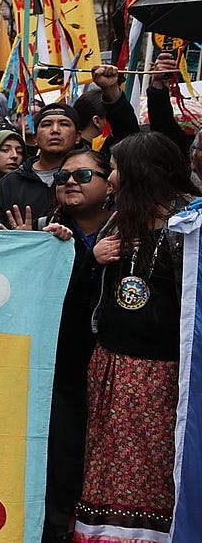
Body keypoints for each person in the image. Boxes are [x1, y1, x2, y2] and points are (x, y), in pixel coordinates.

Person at [74, 132, 194, 542]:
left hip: (162, 373)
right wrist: (93, 261)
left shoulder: (188, 228)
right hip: (112, 363)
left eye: (115, 168)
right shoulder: (119, 219)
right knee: (107, 463)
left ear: (139, 174)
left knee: (156, 464)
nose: (108, 177)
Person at [38, 148, 112, 541]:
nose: (69, 182)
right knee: (61, 464)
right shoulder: (42, 232)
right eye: (62, 176)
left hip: (117, 376)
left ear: (109, 182)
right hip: (59, 375)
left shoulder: (130, 233)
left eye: (83, 176)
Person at [0, 103, 81, 226]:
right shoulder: (10, 183)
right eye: (46, 124)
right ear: (35, 137)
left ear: (78, 136)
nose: (55, 130)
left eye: (64, 124)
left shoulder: (86, 178)